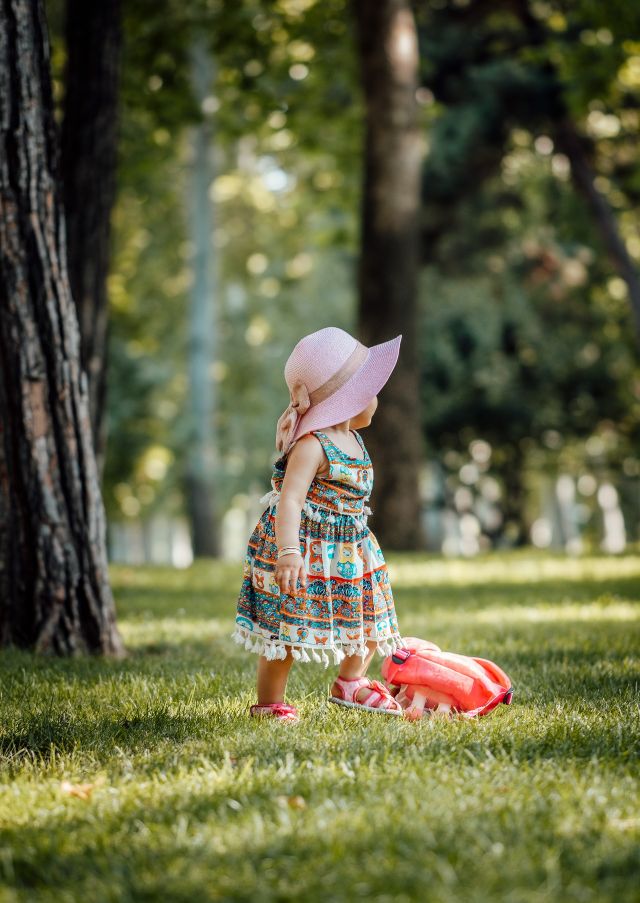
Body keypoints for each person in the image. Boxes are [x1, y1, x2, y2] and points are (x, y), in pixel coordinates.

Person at [232, 326, 406, 722]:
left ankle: (351, 682)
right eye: (370, 390)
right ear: (348, 400)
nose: (376, 398)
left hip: (348, 547)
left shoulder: (355, 441)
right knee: (287, 630)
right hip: (305, 546)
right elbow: (289, 498)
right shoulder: (313, 445)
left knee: (368, 619)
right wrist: (289, 552)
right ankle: (269, 703)